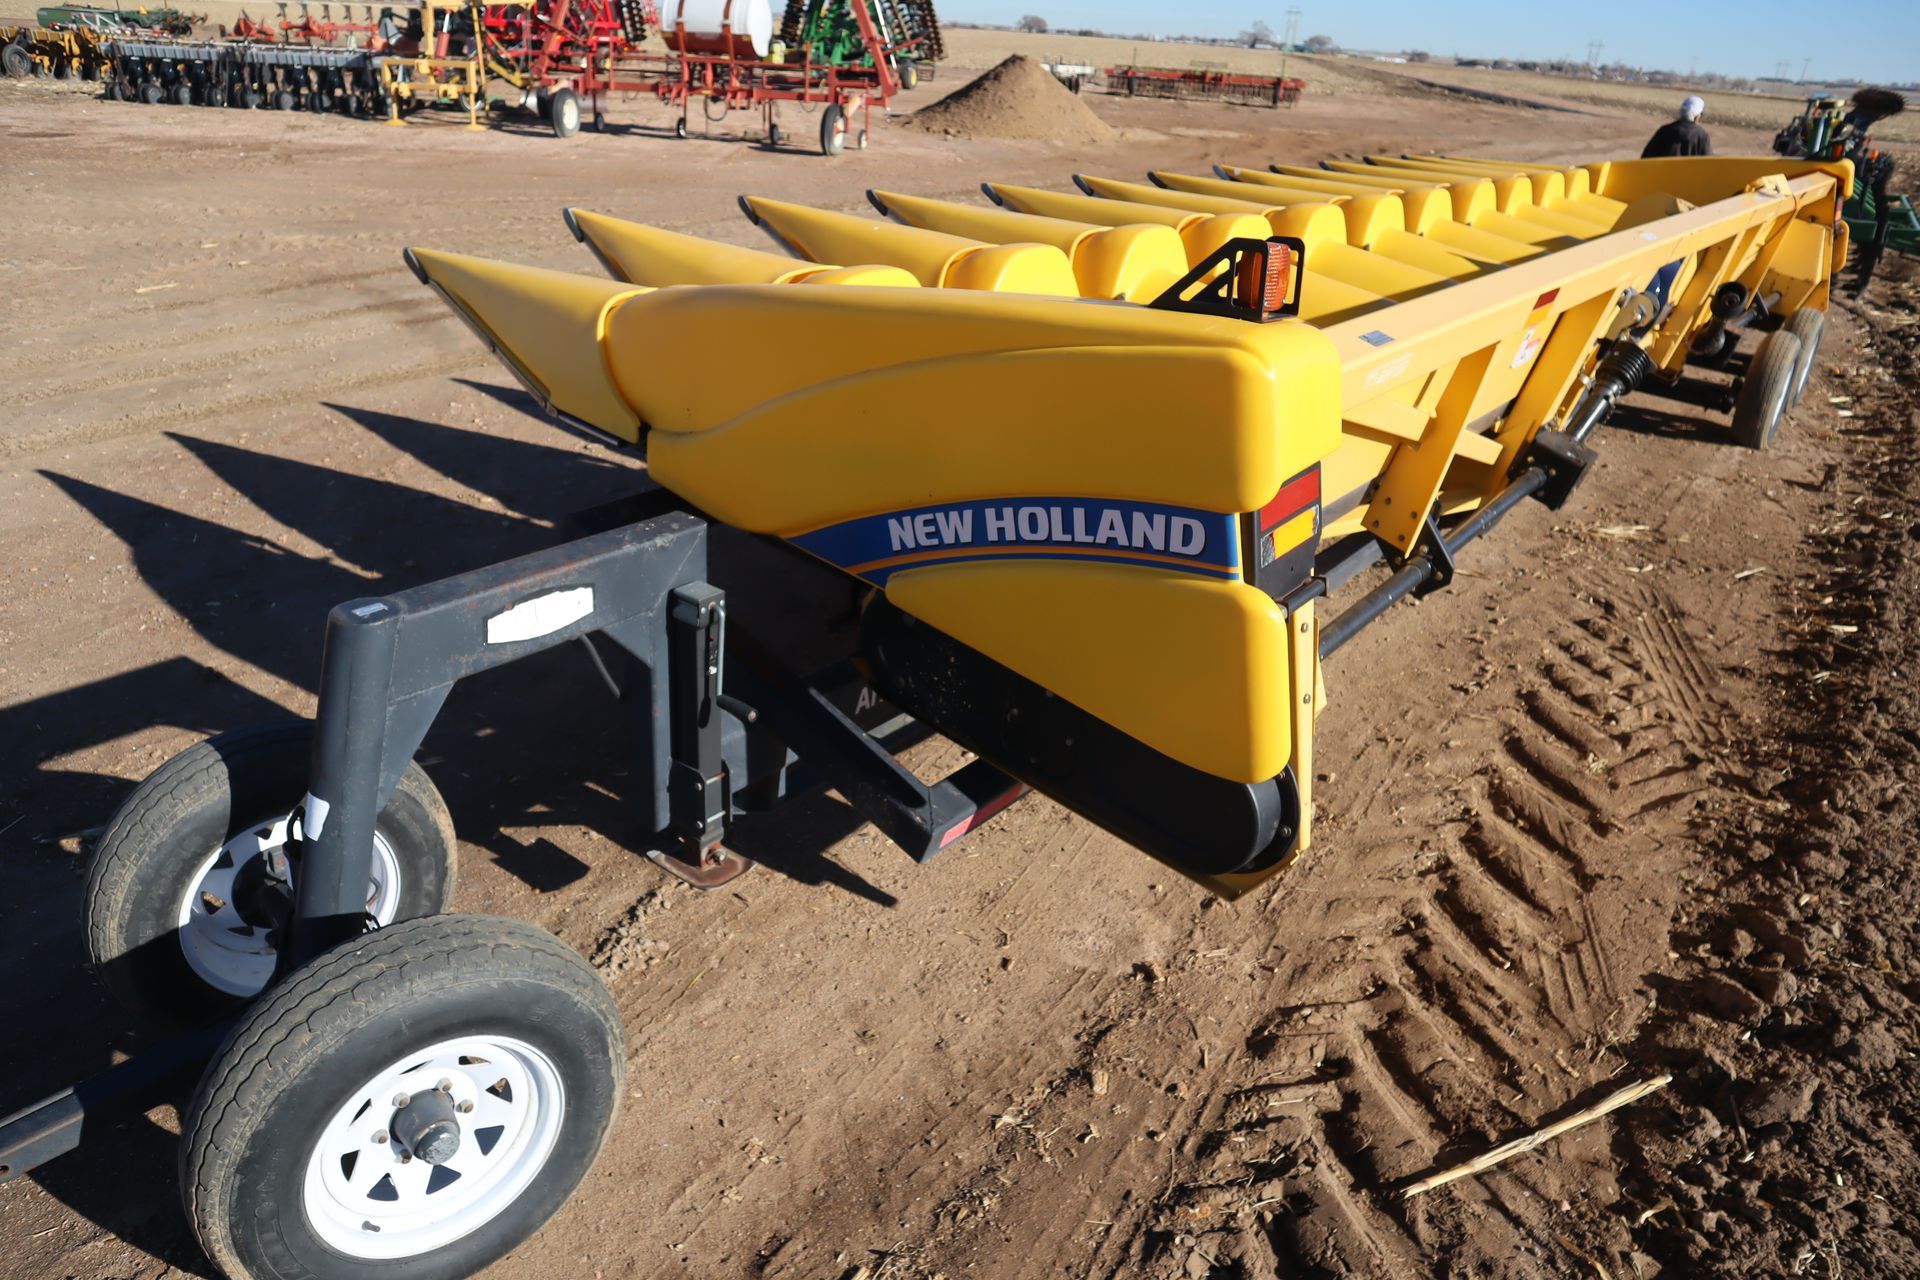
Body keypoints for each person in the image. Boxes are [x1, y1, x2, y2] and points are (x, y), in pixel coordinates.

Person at [1643, 96, 1712, 157]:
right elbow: (1707, 163)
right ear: (1697, 116)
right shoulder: (1702, 135)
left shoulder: (1664, 131)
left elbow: (1646, 158)